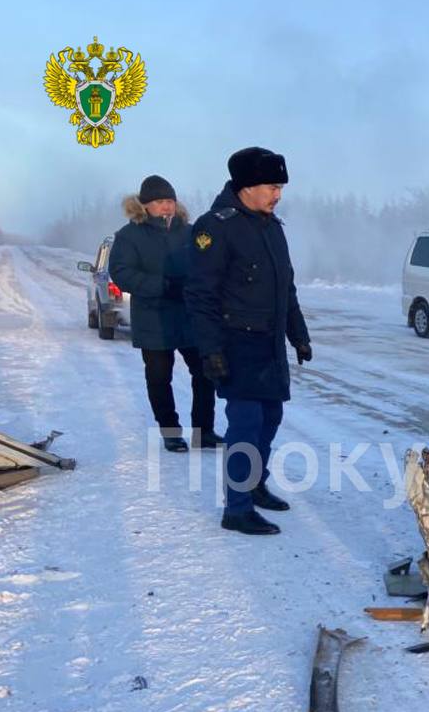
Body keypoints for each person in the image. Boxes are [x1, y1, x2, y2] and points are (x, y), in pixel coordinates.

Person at [184, 147, 312, 535]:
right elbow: (199, 295)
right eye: (271, 186)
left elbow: (285, 289)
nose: (278, 195)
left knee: (270, 418)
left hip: (270, 345)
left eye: (280, 187)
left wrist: (299, 336)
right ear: (246, 186)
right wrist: (210, 351)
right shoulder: (215, 227)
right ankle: (236, 509)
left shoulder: (272, 227)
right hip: (236, 344)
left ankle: (255, 485)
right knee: (245, 422)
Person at [108, 175, 222, 452]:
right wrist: (162, 286)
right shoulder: (129, 235)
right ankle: (170, 432)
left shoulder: (191, 231)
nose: (167, 207)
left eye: (170, 201)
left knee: (206, 373)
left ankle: (203, 431)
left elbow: (209, 263)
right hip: (153, 317)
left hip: (190, 316)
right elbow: (122, 273)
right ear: (145, 205)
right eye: (160, 202)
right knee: (160, 378)